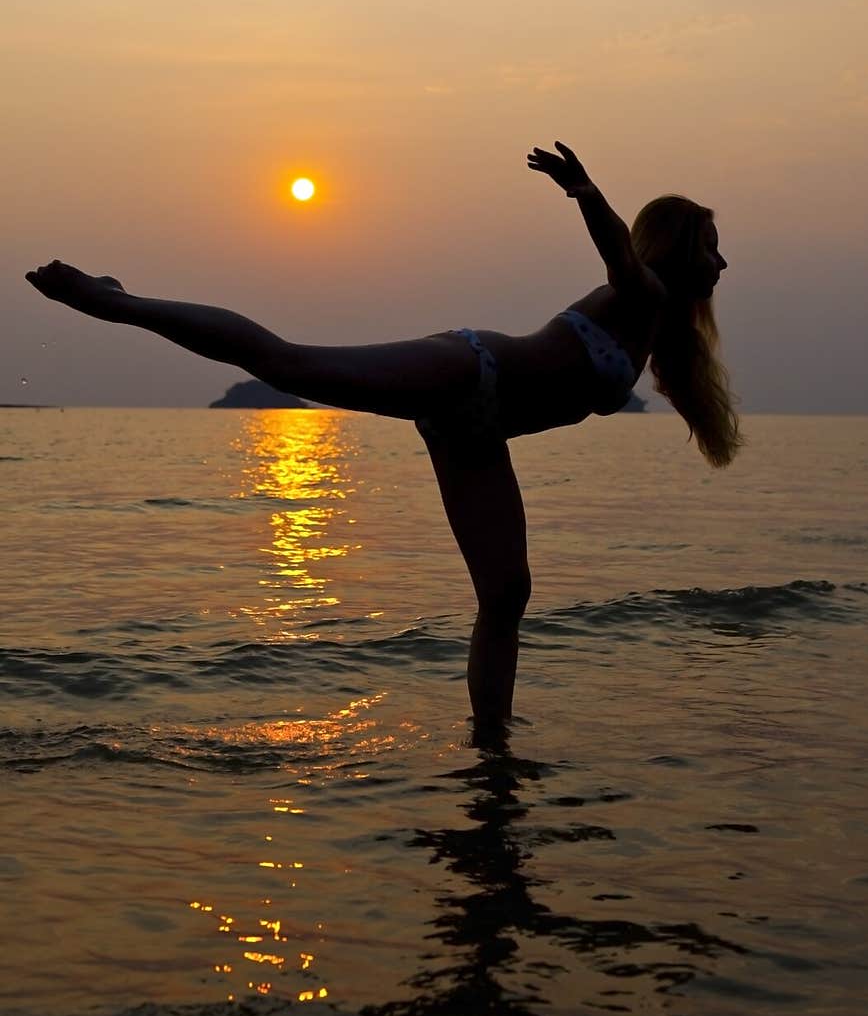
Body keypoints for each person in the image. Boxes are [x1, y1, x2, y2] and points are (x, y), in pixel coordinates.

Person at [26, 142, 742, 731]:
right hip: (471, 372)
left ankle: (492, 744)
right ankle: (115, 300)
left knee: (507, 595)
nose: (721, 263)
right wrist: (584, 192)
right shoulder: (640, 287)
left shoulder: (659, 331)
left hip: (478, 433)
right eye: (711, 247)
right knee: (289, 362)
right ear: (677, 250)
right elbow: (619, 255)